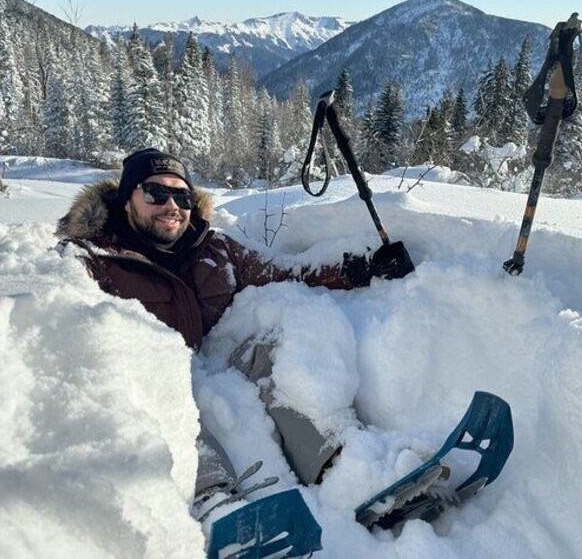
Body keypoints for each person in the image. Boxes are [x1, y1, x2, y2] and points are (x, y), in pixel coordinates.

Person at [56, 148, 415, 516]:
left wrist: (362, 267)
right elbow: (69, 333)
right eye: (155, 193)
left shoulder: (214, 248)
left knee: (277, 343)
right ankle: (217, 508)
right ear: (126, 201)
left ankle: (346, 467)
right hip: (154, 386)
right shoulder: (91, 261)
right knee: (154, 389)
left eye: (181, 195)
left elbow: (286, 273)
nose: (171, 205)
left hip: (218, 365)